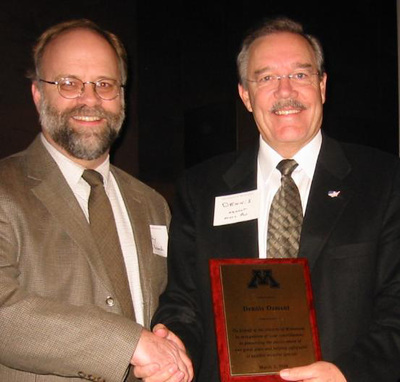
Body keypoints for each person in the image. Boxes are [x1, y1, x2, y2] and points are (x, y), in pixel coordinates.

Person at [148, 16, 400, 382]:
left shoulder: (384, 180)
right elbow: (185, 302)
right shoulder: (201, 188)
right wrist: (175, 345)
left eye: (301, 74)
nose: (286, 91)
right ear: (246, 96)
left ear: (323, 85)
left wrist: (347, 372)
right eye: (266, 78)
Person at [0, 19, 192, 382]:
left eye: (104, 85)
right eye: (69, 84)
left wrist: (174, 341)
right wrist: (130, 344)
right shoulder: (5, 190)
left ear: (122, 96)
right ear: (38, 94)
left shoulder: (152, 205)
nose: (89, 99)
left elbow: (169, 304)